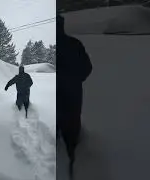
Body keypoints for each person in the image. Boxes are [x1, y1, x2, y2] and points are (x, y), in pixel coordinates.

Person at [57, 14, 93, 178]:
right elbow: (86, 68)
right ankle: (73, 166)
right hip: (72, 97)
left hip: (54, 101)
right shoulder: (74, 44)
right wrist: (74, 79)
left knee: (53, 133)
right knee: (71, 132)